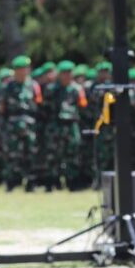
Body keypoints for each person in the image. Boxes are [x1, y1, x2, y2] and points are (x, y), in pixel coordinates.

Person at [42, 60, 88, 190]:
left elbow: (83, 106)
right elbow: (45, 107)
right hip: (55, 125)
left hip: (71, 125)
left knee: (72, 154)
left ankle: (72, 181)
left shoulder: (77, 89)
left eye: (68, 73)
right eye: (63, 73)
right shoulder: (52, 89)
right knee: (53, 155)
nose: (66, 76)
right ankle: (53, 182)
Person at [0, 55, 42, 192]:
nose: (24, 71)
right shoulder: (8, 87)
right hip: (12, 124)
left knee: (31, 153)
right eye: (21, 69)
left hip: (30, 124)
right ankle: (11, 182)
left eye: (26, 69)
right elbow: (2, 107)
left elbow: (38, 103)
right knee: (12, 154)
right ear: (16, 70)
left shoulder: (34, 85)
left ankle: (31, 182)